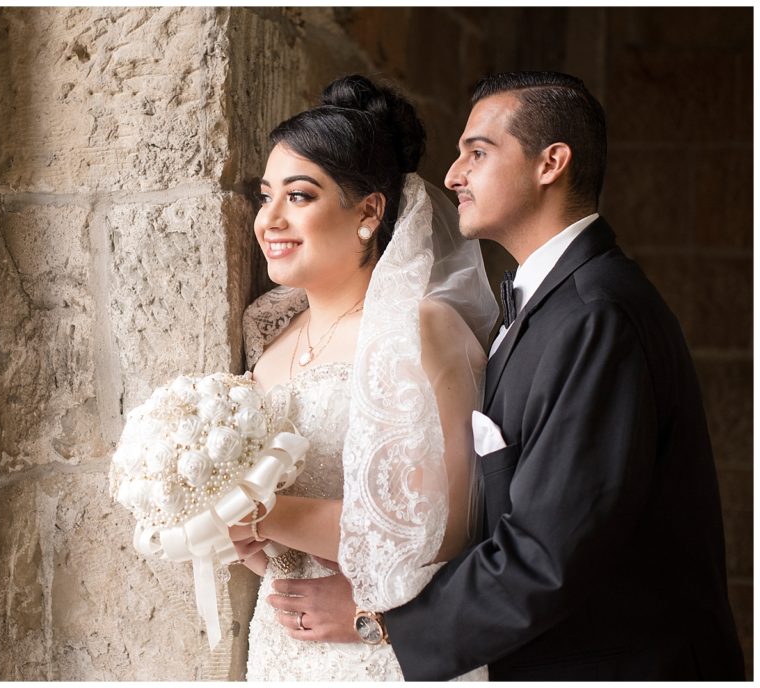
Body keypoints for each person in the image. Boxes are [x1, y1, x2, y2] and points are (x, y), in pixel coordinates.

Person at [273, 71, 745, 680]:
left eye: (478, 152)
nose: (452, 175)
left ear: (551, 163)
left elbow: (548, 551)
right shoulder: (548, 304)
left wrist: (382, 622)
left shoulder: (598, 316)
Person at [230, 75, 498, 681]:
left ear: (369, 211)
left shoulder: (419, 329)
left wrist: (255, 514)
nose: (269, 218)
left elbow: (436, 531)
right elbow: (295, 546)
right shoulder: (269, 345)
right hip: (282, 654)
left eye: (299, 196)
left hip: (382, 654)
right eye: (264, 195)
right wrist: (257, 548)